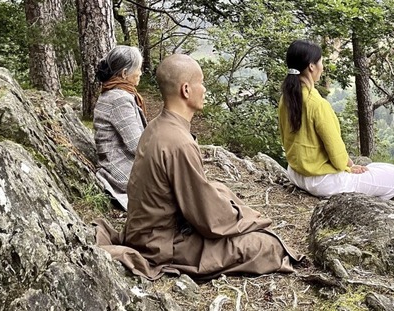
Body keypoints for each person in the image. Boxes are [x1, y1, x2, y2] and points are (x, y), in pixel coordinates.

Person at [95, 54, 303, 280]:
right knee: (267, 245)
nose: (204, 89)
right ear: (186, 90)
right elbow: (207, 220)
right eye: (201, 83)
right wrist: (251, 219)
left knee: (221, 190)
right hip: (163, 245)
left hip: (147, 230)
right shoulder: (178, 142)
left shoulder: (157, 126)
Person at [278, 40, 394, 200]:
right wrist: (349, 168)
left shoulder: (286, 98)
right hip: (322, 181)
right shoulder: (317, 104)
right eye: (321, 62)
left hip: (296, 173)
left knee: (374, 167)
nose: (322, 67)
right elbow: (336, 152)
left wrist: (351, 165)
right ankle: (362, 206)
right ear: (311, 66)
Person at [93, 45, 147, 210]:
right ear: (125, 74)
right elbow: (137, 146)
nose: (140, 73)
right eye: (138, 68)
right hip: (121, 169)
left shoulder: (113, 93)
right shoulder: (119, 99)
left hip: (117, 163)